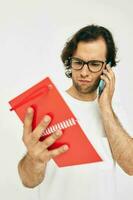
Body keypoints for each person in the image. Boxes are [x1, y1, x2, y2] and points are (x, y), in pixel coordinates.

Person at [18, 25, 133, 200]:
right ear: (70, 61)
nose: (84, 72)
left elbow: (131, 166)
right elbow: (28, 181)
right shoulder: (46, 108)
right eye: (78, 62)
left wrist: (105, 108)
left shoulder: (115, 112)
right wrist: (34, 159)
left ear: (107, 67)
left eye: (94, 64)